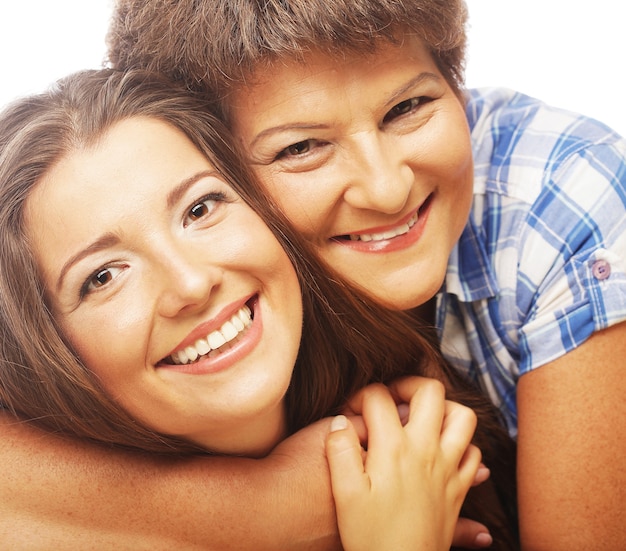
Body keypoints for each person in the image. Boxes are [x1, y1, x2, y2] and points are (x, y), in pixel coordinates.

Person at [103, 0, 626, 549]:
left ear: (456, 87)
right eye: (302, 147)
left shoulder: (564, 192)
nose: (387, 190)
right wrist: (270, 502)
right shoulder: (185, 297)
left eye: (407, 108)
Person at [0, 68, 517, 549]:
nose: (191, 283)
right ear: (47, 350)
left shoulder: (424, 442)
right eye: (104, 276)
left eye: (200, 209)